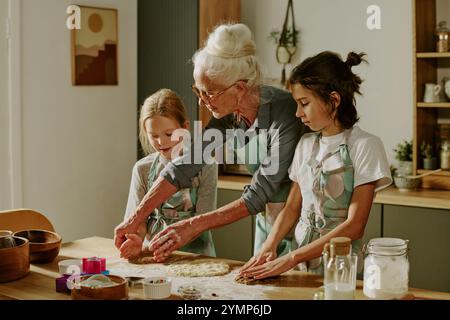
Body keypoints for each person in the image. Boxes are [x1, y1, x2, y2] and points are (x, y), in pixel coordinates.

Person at [115, 23, 305, 262]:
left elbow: (259, 191)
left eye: (210, 92)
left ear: (239, 88)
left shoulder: (284, 112)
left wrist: (192, 225)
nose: (202, 102)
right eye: (199, 91)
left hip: (300, 220)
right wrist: (135, 218)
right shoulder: (228, 115)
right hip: (265, 221)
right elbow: (184, 166)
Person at [239, 51, 392, 279]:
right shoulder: (306, 144)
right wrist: (268, 247)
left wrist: (291, 258)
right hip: (300, 267)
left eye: (304, 103)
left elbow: (354, 226)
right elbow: (292, 209)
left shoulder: (365, 146)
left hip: (341, 270)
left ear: (334, 100)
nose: (298, 113)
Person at [119, 88, 217, 259]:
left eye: (169, 134)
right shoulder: (143, 169)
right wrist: (137, 240)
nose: (161, 142)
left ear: (185, 128)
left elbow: (203, 221)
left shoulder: (206, 166)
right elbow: (138, 220)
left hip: (197, 257)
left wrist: (172, 242)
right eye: (153, 135)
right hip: (154, 255)